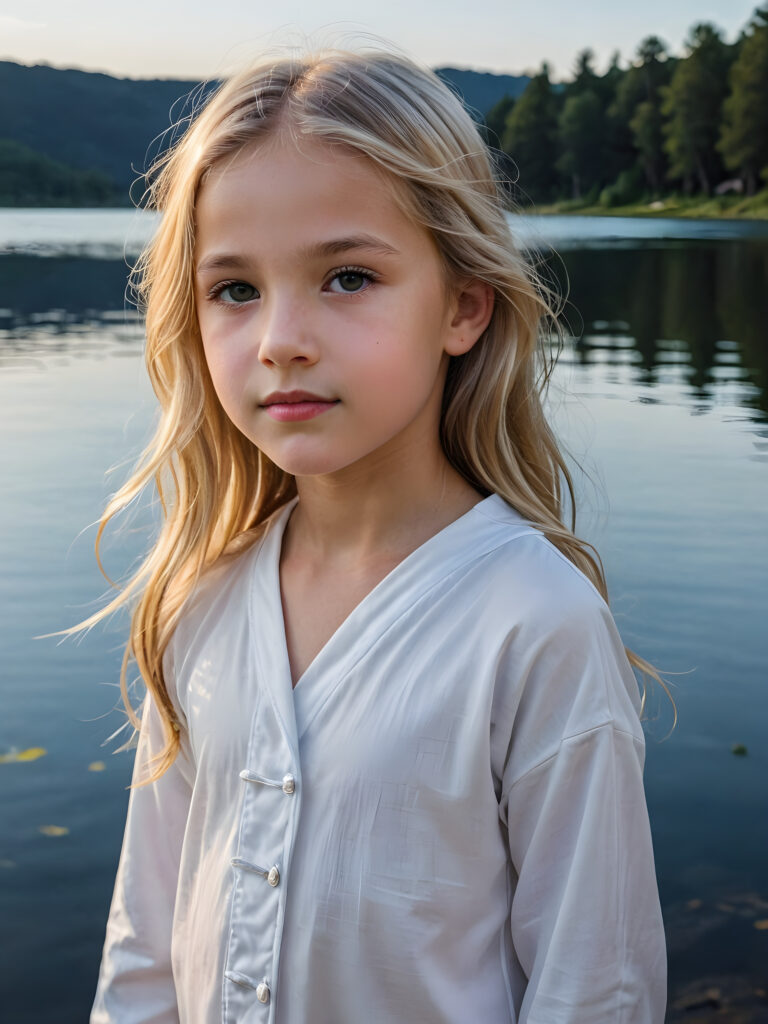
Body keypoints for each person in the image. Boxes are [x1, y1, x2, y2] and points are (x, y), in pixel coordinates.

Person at [85, 41, 669, 1024]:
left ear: (463, 305)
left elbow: (594, 989)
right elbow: (144, 948)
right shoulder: (200, 600)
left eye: (348, 278)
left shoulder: (533, 623)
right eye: (235, 289)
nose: (280, 339)